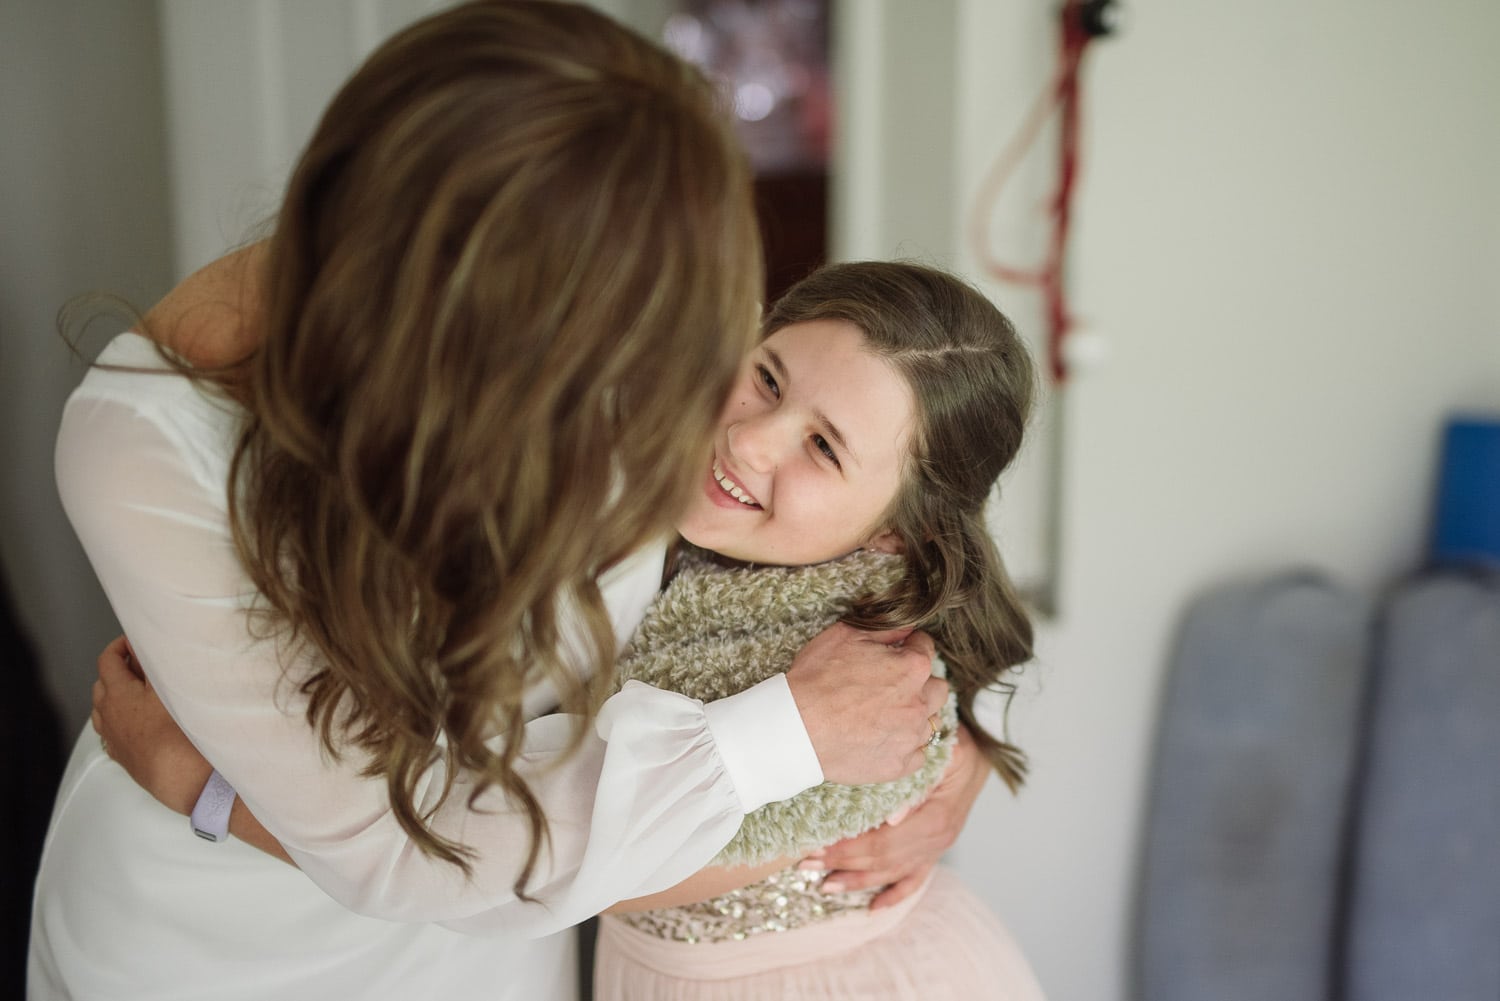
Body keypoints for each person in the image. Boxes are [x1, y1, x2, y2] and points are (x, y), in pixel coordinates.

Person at [26, 5, 962, 1000]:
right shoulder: (149, 446)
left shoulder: (643, 318)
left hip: (504, 949)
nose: (694, 402)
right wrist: (782, 741)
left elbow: (882, 563)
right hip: (224, 953)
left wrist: (946, 769)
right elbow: (397, 844)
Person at [89, 262, 1050, 999]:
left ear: (899, 530)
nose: (751, 438)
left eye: (824, 445)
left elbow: (572, 868)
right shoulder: (718, 523)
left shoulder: (827, 644)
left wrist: (205, 788)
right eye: (764, 378)